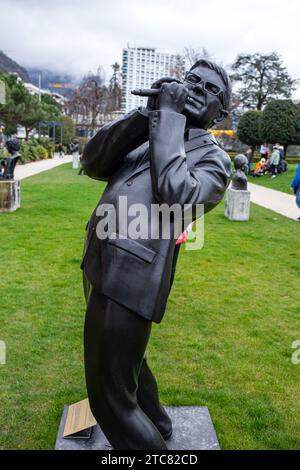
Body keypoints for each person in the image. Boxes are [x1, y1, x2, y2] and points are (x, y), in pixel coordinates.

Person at [81, 60, 232, 450]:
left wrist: (165, 118)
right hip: (99, 259)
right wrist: (145, 115)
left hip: (131, 278)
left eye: (210, 89)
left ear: (222, 112)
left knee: (110, 401)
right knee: (129, 364)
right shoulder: (153, 131)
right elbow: (93, 162)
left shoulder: (216, 161)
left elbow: (176, 195)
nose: (197, 88)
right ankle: (160, 423)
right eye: (192, 80)